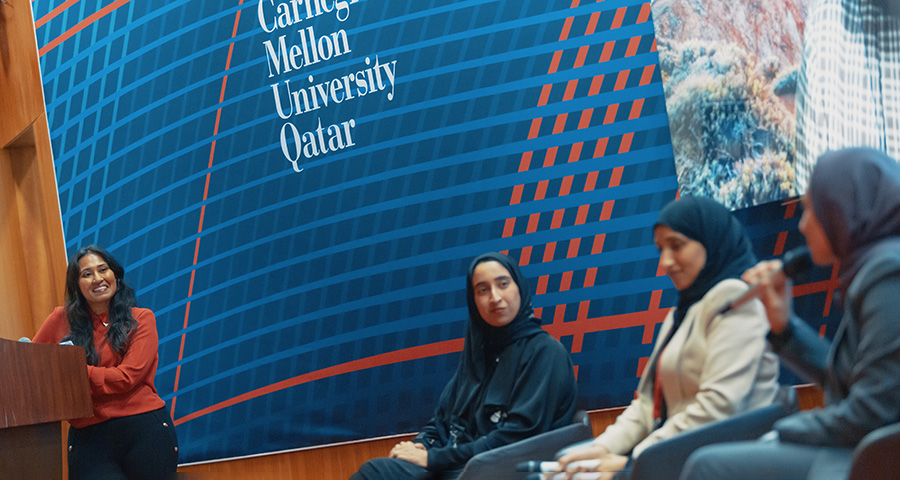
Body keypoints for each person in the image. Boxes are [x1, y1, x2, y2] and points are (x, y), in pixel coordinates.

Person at [681, 148, 900, 479]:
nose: (803, 225)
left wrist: (783, 429)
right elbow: (852, 384)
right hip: (867, 453)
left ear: (843, 209)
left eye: (811, 210)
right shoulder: (876, 267)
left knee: (707, 465)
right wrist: (783, 326)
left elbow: (871, 413)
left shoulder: (887, 272)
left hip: (875, 461)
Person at [553, 196, 780, 480]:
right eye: (661, 249)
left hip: (732, 464)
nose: (665, 262)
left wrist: (634, 460)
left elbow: (719, 406)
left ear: (710, 240)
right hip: (681, 459)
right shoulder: (680, 313)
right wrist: (600, 448)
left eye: (676, 245)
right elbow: (649, 402)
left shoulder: (735, 297)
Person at [350, 252, 578, 480]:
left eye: (503, 284)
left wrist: (433, 459)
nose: (495, 297)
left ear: (520, 287)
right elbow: (442, 421)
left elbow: (516, 439)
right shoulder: (480, 353)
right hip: (463, 465)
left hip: (506, 470)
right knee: (379, 472)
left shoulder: (545, 352)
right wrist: (421, 447)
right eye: (483, 290)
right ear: (474, 301)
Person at [33, 245, 178, 480]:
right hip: (88, 437)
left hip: (145, 431)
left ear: (115, 275)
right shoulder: (60, 319)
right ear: (76, 285)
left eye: (103, 270)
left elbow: (127, 378)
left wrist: (75, 371)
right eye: (87, 274)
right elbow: (33, 366)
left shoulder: (141, 318)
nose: (98, 278)